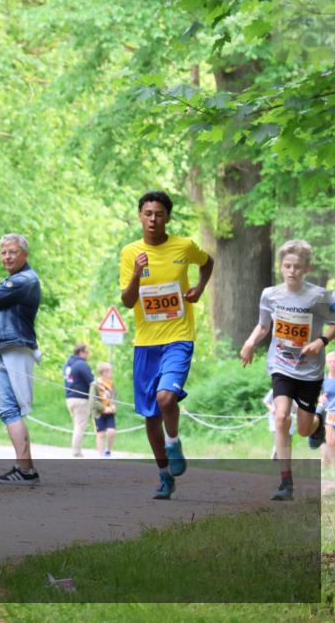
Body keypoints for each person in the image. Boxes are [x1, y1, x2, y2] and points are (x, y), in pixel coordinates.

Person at [120, 190, 214, 500]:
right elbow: (128, 300)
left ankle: (173, 443)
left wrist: (199, 288)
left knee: (165, 398)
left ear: (167, 217)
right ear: (139, 216)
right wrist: (136, 272)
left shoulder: (184, 246)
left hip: (178, 337)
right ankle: (164, 476)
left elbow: (207, 261)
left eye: (159, 213)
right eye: (147, 213)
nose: (153, 219)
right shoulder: (130, 252)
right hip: (146, 343)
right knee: (150, 416)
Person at [240, 239, 335, 500]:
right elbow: (263, 326)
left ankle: (317, 422)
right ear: (280, 267)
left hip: (309, 372)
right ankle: (286, 482)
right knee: (281, 417)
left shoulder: (318, 296)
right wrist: (250, 343)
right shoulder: (270, 295)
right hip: (281, 365)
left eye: (297, 266)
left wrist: (321, 341)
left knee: (305, 429)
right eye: (287, 266)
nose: (292, 271)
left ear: (306, 268)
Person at [0, 233, 42, 485]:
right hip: (8, 347)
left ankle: (25, 471)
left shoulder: (25, 279)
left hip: (13, 347)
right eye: (3, 252)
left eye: (13, 252)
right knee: (10, 409)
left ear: (24, 254)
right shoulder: (14, 280)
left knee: (8, 409)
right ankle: (25, 468)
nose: (7, 256)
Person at [63, 343, 95, 458]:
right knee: (80, 426)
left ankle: (76, 449)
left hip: (69, 398)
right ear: (81, 352)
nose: (88, 355)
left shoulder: (67, 364)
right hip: (81, 399)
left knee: (77, 425)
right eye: (87, 352)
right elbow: (92, 381)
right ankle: (76, 452)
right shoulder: (81, 364)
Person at [89, 362, 117, 457]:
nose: (111, 373)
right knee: (100, 434)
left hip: (110, 412)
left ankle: (108, 451)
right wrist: (104, 408)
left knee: (111, 432)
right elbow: (93, 400)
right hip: (99, 413)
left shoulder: (111, 384)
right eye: (110, 371)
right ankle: (101, 455)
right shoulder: (95, 384)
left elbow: (113, 397)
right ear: (104, 372)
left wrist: (113, 406)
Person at [322, 351, 335, 469]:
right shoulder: (323, 380)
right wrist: (320, 397)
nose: (333, 364)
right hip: (329, 413)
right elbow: (317, 395)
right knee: (330, 442)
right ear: (327, 363)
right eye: (330, 361)